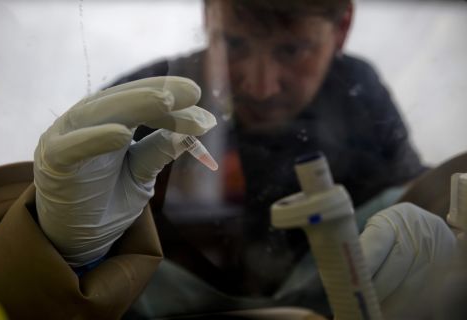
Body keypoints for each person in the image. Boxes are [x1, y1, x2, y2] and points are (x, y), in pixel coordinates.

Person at [107, 0, 432, 317]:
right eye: (234, 43)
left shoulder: (359, 93)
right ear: (207, 16)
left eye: (292, 50)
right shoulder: (144, 104)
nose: (261, 87)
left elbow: (417, 202)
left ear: (342, 27)